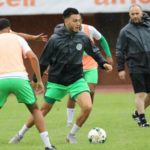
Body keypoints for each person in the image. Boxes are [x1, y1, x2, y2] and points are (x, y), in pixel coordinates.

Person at [9, 8, 112, 144]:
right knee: (42, 111)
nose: (78, 24)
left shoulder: (82, 37)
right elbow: (43, 61)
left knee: (87, 107)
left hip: (76, 79)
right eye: (75, 21)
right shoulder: (54, 40)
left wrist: (103, 63)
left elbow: (94, 51)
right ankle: (20, 134)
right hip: (56, 81)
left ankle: (71, 135)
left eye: (79, 21)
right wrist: (35, 80)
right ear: (66, 21)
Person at [0, 18, 56, 150]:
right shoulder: (18, 39)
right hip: (20, 78)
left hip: (1, 79)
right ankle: (48, 146)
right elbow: (33, 57)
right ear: (9, 28)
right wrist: (39, 80)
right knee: (35, 110)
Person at [66, 23, 113, 127]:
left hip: (91, 64)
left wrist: (108, 55)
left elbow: (102, 39)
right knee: (73, 93)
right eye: (74, 20)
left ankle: (86, 112)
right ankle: (69, 121)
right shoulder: (68, 31)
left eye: (78, 20)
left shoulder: (90, 29)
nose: (76, 22)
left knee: (91, 90)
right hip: (76, 64)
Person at [116, 4, 150, 127]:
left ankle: (136, 113)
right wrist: (120, 68)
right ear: (129, 15)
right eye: (132, 14)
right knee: (141, 94)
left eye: (137, 13)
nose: (135, 16)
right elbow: (120, 50)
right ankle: (142, 121)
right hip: (136, 65)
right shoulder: (125, 31)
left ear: (142, 13)